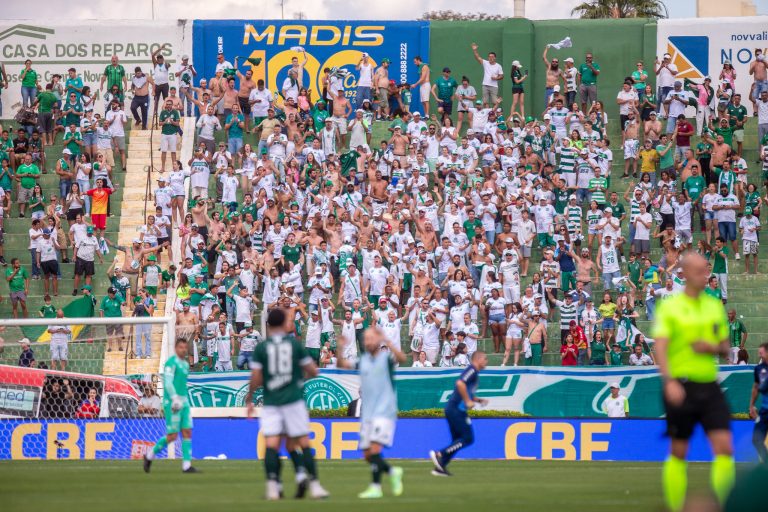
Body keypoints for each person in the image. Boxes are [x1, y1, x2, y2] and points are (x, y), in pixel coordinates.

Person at [651, 253, 734, 512]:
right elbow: (660, 346)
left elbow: (725, 347)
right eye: (699, 271)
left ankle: (725, 505)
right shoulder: (671, 307)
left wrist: (711, 347)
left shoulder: (714, 306)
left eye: (706, 270)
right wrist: (669, 381)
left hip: (709, 384)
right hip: (681, 385)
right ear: (685, 273)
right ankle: (676, 507)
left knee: (724, 447)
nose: (705, 275)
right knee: (679, 450)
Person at [246, 308, 329, 500]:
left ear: (268, 325)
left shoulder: (261, 348)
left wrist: (249, 398)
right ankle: (315, 485)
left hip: (272, 402)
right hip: (293, 400)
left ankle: (272, 487)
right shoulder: (294, 345)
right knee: (303, 443)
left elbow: (256, 377)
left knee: (272, 445)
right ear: (284, 323)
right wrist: (298, 377)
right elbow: (313, 371)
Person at [336, 327, 406, 499]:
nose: (368, 342)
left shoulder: (385, 359)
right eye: (365, 339)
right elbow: (341, 365)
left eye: (371, 338)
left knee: (374, 449)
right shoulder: (363, 361)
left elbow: (402, 358)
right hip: (368, 414)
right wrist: (340, 348)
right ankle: (392, 471)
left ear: (378, 340)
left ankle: (375, 487)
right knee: (368, 455)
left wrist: (388, 341)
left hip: (384, 412)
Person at [429, 351, 489, 476]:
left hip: (453, 409)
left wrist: (477, 400)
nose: (486, 361)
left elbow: (466, 391)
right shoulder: (472, 370)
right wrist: (467, 401)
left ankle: (440, 467)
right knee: (468, 438)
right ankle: (440, 454)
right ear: (478, 359)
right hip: (456, 410)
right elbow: (460, 383)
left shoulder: (474, 373)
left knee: (457, 441)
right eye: (485, 359)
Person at [144, 338, 198, 473]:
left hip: (184, 402)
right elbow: (168, 382)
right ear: (175, 348)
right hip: (172, 403)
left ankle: (186, 465)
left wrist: (183, 399)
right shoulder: (171, 363)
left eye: (185, 347)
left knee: (187, 431)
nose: (183, 350)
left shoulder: (185, 364)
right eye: (181, 347)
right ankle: (150, 455)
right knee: (172, 436)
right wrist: (174, 398)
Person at [749, 342, 768, 462]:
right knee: (756, 440)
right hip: (765, 411)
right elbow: (756, 387)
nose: (759, 355)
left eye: (761, 353)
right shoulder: (759, 368)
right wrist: (751, 405)